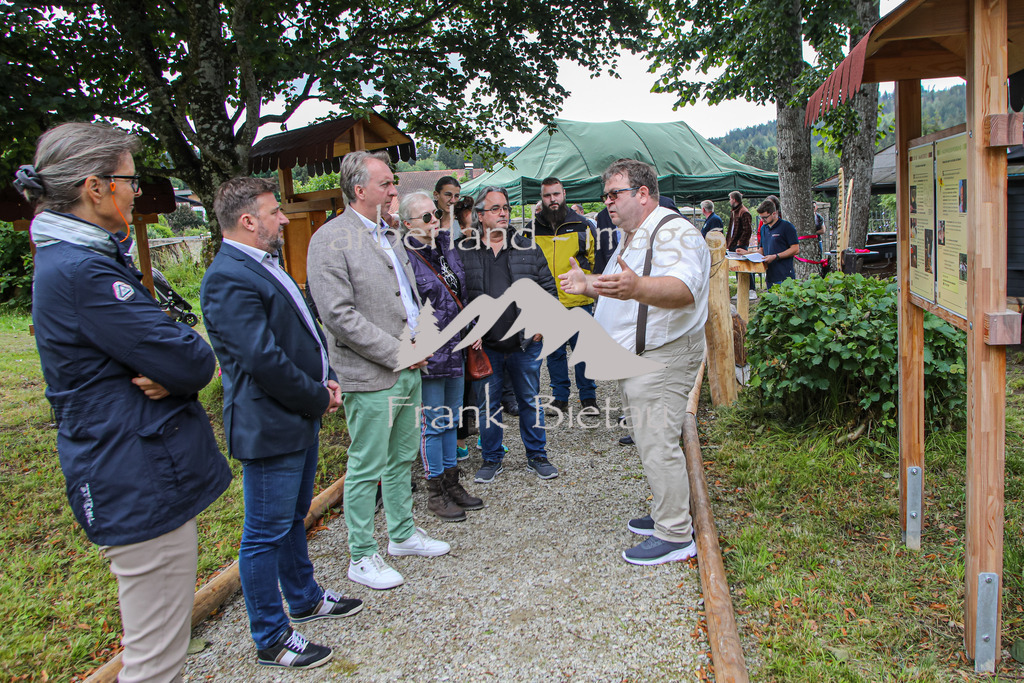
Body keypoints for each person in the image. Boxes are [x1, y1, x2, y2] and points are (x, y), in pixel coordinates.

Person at [19, 122, 232, 680]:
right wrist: (177, 367)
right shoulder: (82, 271)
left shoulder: (78, 259)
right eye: (129, 180)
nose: (137, 191)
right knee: (156, 660)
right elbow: (191, 359)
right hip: (133, 470)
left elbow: (168, 351)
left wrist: (169, 362)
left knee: (160, 646)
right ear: (95, 187)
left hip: (133, 462)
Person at [201, 177, 363, 669]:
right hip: (270, 421)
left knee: (294, 517)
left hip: (297, 413)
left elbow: (304, 334)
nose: (284, 219)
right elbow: (262, 360)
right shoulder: (228, 276)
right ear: (248, 221)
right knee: (264, 532)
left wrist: (326, 378)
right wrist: (316, 396)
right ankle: (271, 637)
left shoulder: (260, 264)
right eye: (275, 212)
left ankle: (305, 598)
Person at [306, 151, 449, 592]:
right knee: (367, 464)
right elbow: (339, 316)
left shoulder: (389, 234)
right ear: (359, 189)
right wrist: (399, 352)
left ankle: (402, 535)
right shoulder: (330, 238)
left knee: (403, 455)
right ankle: (361, 555)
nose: (395, 191)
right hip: (371, 374)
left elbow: (403, 298)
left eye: (394, 183)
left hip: (407, 366)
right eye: (387, 183)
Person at [560, 158, 710, 565]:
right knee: (648, 439)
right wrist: (587, 284)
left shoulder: (674, 230)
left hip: (662, 357)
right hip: (642, 357)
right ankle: (668, 511)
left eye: (615, 194)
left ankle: (676, 533)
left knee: (657, 441)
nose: (607, 202)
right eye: (604, 195)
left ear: (643, 194)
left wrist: (637, 286)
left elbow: (684, 290)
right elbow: (620, 288)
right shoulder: (633, 234)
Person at [459, 186, 560, 484]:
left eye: (505, 208)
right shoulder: (465, 253)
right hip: (486, 346)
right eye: (495, 209)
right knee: (488, 405)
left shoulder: (527, 247)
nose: (503, 213)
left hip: (525, 344)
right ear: (480, 216)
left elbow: (548, 290)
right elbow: (459, 298)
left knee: (530, 400)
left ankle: (537, 456)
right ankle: (491, 459)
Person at [399, 190, 485, 521]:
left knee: (452, 420)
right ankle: (436, 492)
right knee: (433, 425)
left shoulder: (445, 247)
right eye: (426, 218)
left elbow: (462, 293)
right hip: (431, 352)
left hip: (457, 347)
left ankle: (453, 483)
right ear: (407, 224)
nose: (434, 220)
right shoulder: (405, 258)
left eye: (435, 214)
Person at [523, 177, 598, 415]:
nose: (552, 200)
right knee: (554, 354)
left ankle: (589, 398)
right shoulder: (530, 230)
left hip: (579, 303)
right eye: (547, 196)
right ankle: (560, 398)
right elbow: (524, 265)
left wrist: (590, 287)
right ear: (542, 198)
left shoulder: (583, 225)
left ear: (564, 194)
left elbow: (594, 260)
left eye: (556, 194)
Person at [752, 199, 799, 289]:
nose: (762, 220)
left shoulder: (787, 226)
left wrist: (775, 256)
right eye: (761, 217)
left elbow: (795, 249)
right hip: (770, 275)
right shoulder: (763, 228)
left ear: (774, 213)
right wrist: (746, 254)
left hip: (784, 275)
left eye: (765, 217)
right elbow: (762, 250)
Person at [726, 191, 755, 301]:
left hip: (741, 245)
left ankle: (751, 290)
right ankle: (741, 290)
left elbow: (747, 230)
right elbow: (731, 230)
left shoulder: (744, 212)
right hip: (733, 244)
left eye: (730, 199)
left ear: (734, 199)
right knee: (738, 268)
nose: (729, 201)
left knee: (745, 267)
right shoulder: (734, 212)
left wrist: (740, 243)